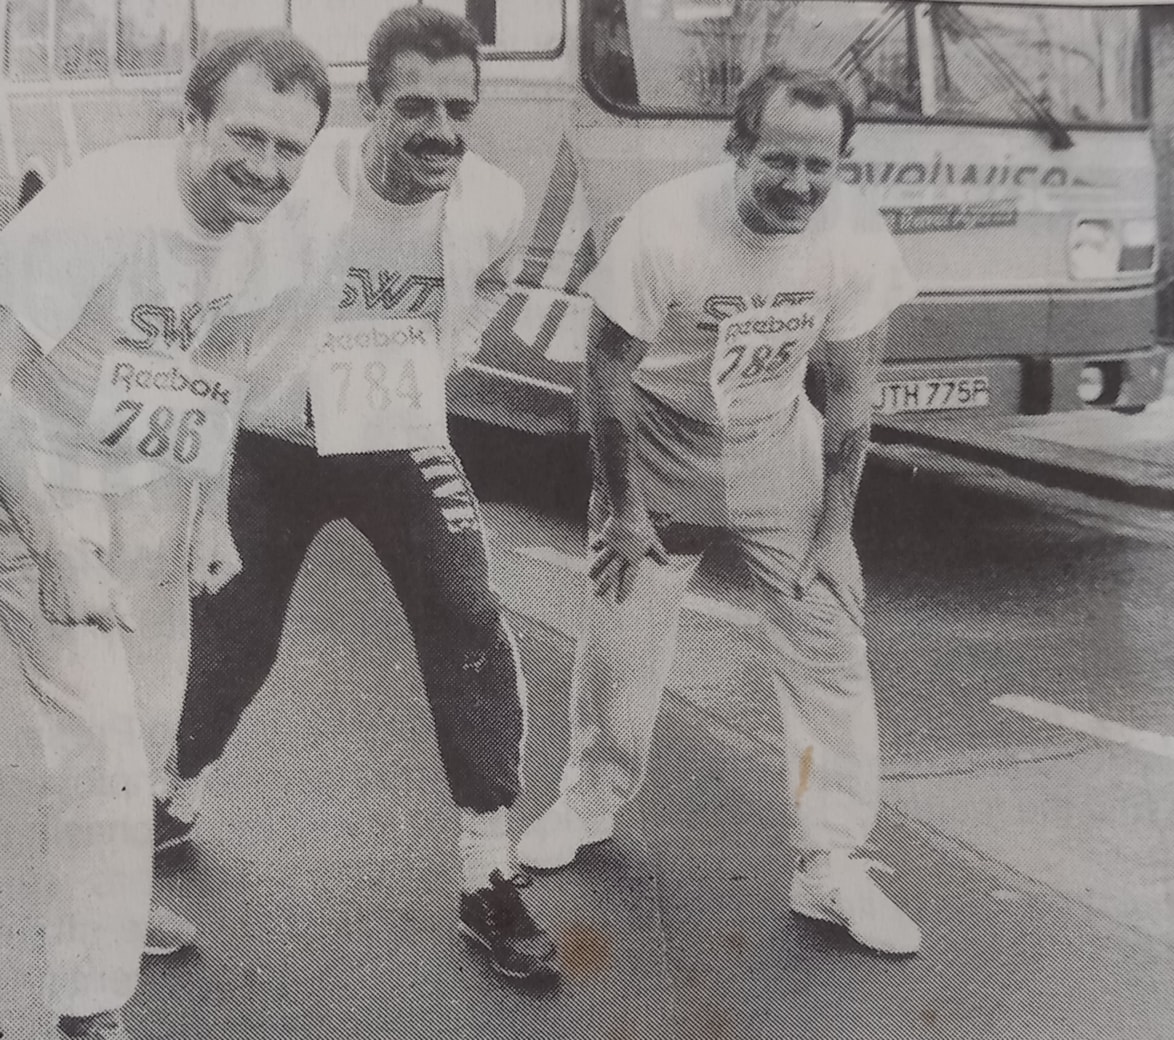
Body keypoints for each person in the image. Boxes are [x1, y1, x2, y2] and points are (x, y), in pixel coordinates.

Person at [156, 6, 561, 986]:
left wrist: (445, 355)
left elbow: (499, 274)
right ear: (371, 103)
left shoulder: (492, 199)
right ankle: (177, 788)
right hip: (272, 440)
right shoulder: (295, 188)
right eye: (415, 106)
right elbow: (209, 322)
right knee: (230, 637)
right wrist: (206, 482)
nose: (440, 133)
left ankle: (486, 870)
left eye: (459, 109)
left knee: (467, 612)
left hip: (396, 437)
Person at [516, 65, 924, 956]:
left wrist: (838, 532)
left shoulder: (852, 234)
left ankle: (828, 863)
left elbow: (854, 396)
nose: (799, 185)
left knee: (829, 638)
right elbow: (607, 375)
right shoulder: (668, 226)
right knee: (622, 635)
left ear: (842, 163)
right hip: (662, 435)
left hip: (776, 438)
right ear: (737, 148)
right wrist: (625, 510)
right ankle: (590, 796)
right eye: (778, 160)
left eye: (820, 165)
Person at [0, 29, 328, 1040]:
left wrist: (212, 511)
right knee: (100, 747)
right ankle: (87, 1005)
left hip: (150, 488)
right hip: (42, 483)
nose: (265, 167)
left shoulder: (275, 226)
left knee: (147, 725)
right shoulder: (100, 209)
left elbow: (217, 362)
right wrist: (51, 543)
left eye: (289, 147)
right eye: (245, 135)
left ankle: (114, 904)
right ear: (187, 119)